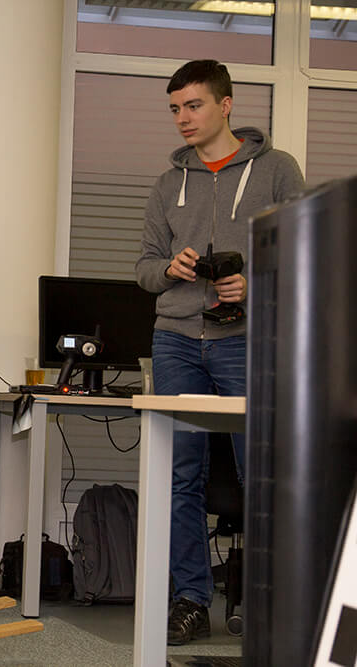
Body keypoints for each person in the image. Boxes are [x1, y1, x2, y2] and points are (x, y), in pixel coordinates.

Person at [135, 60, 304, 645]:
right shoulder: (168, 183)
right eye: (175, 109)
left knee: (263, 475)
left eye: (194, 106)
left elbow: (303, 257)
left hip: (247, 341)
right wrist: (171, 268)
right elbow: (144, 269)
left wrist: (253, 284)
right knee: (180, 476)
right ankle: (190, 600)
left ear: (225, 105)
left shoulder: (276, 170)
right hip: (177, 341)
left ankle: (263, 599)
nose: (183, 118)